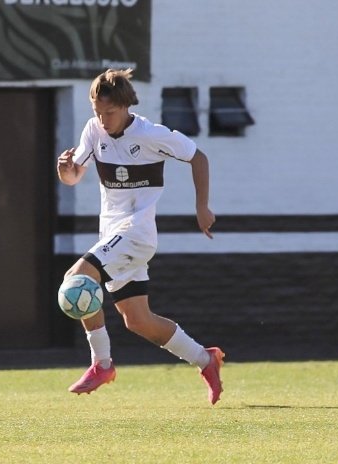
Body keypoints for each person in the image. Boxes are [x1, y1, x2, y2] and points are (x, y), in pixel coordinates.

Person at [56, 69, 225, 404]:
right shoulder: (93, 130)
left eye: (109, 112)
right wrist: (65, 171)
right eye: (98, 113)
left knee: (77, 278)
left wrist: (202, 206)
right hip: (112, 234)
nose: (103, 120)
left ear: (126, 105)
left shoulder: (150, 134)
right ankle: (207, 360)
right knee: (138, 321)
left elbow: (198, 157)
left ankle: (102, 364)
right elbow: (75, 176)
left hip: (137, 232)